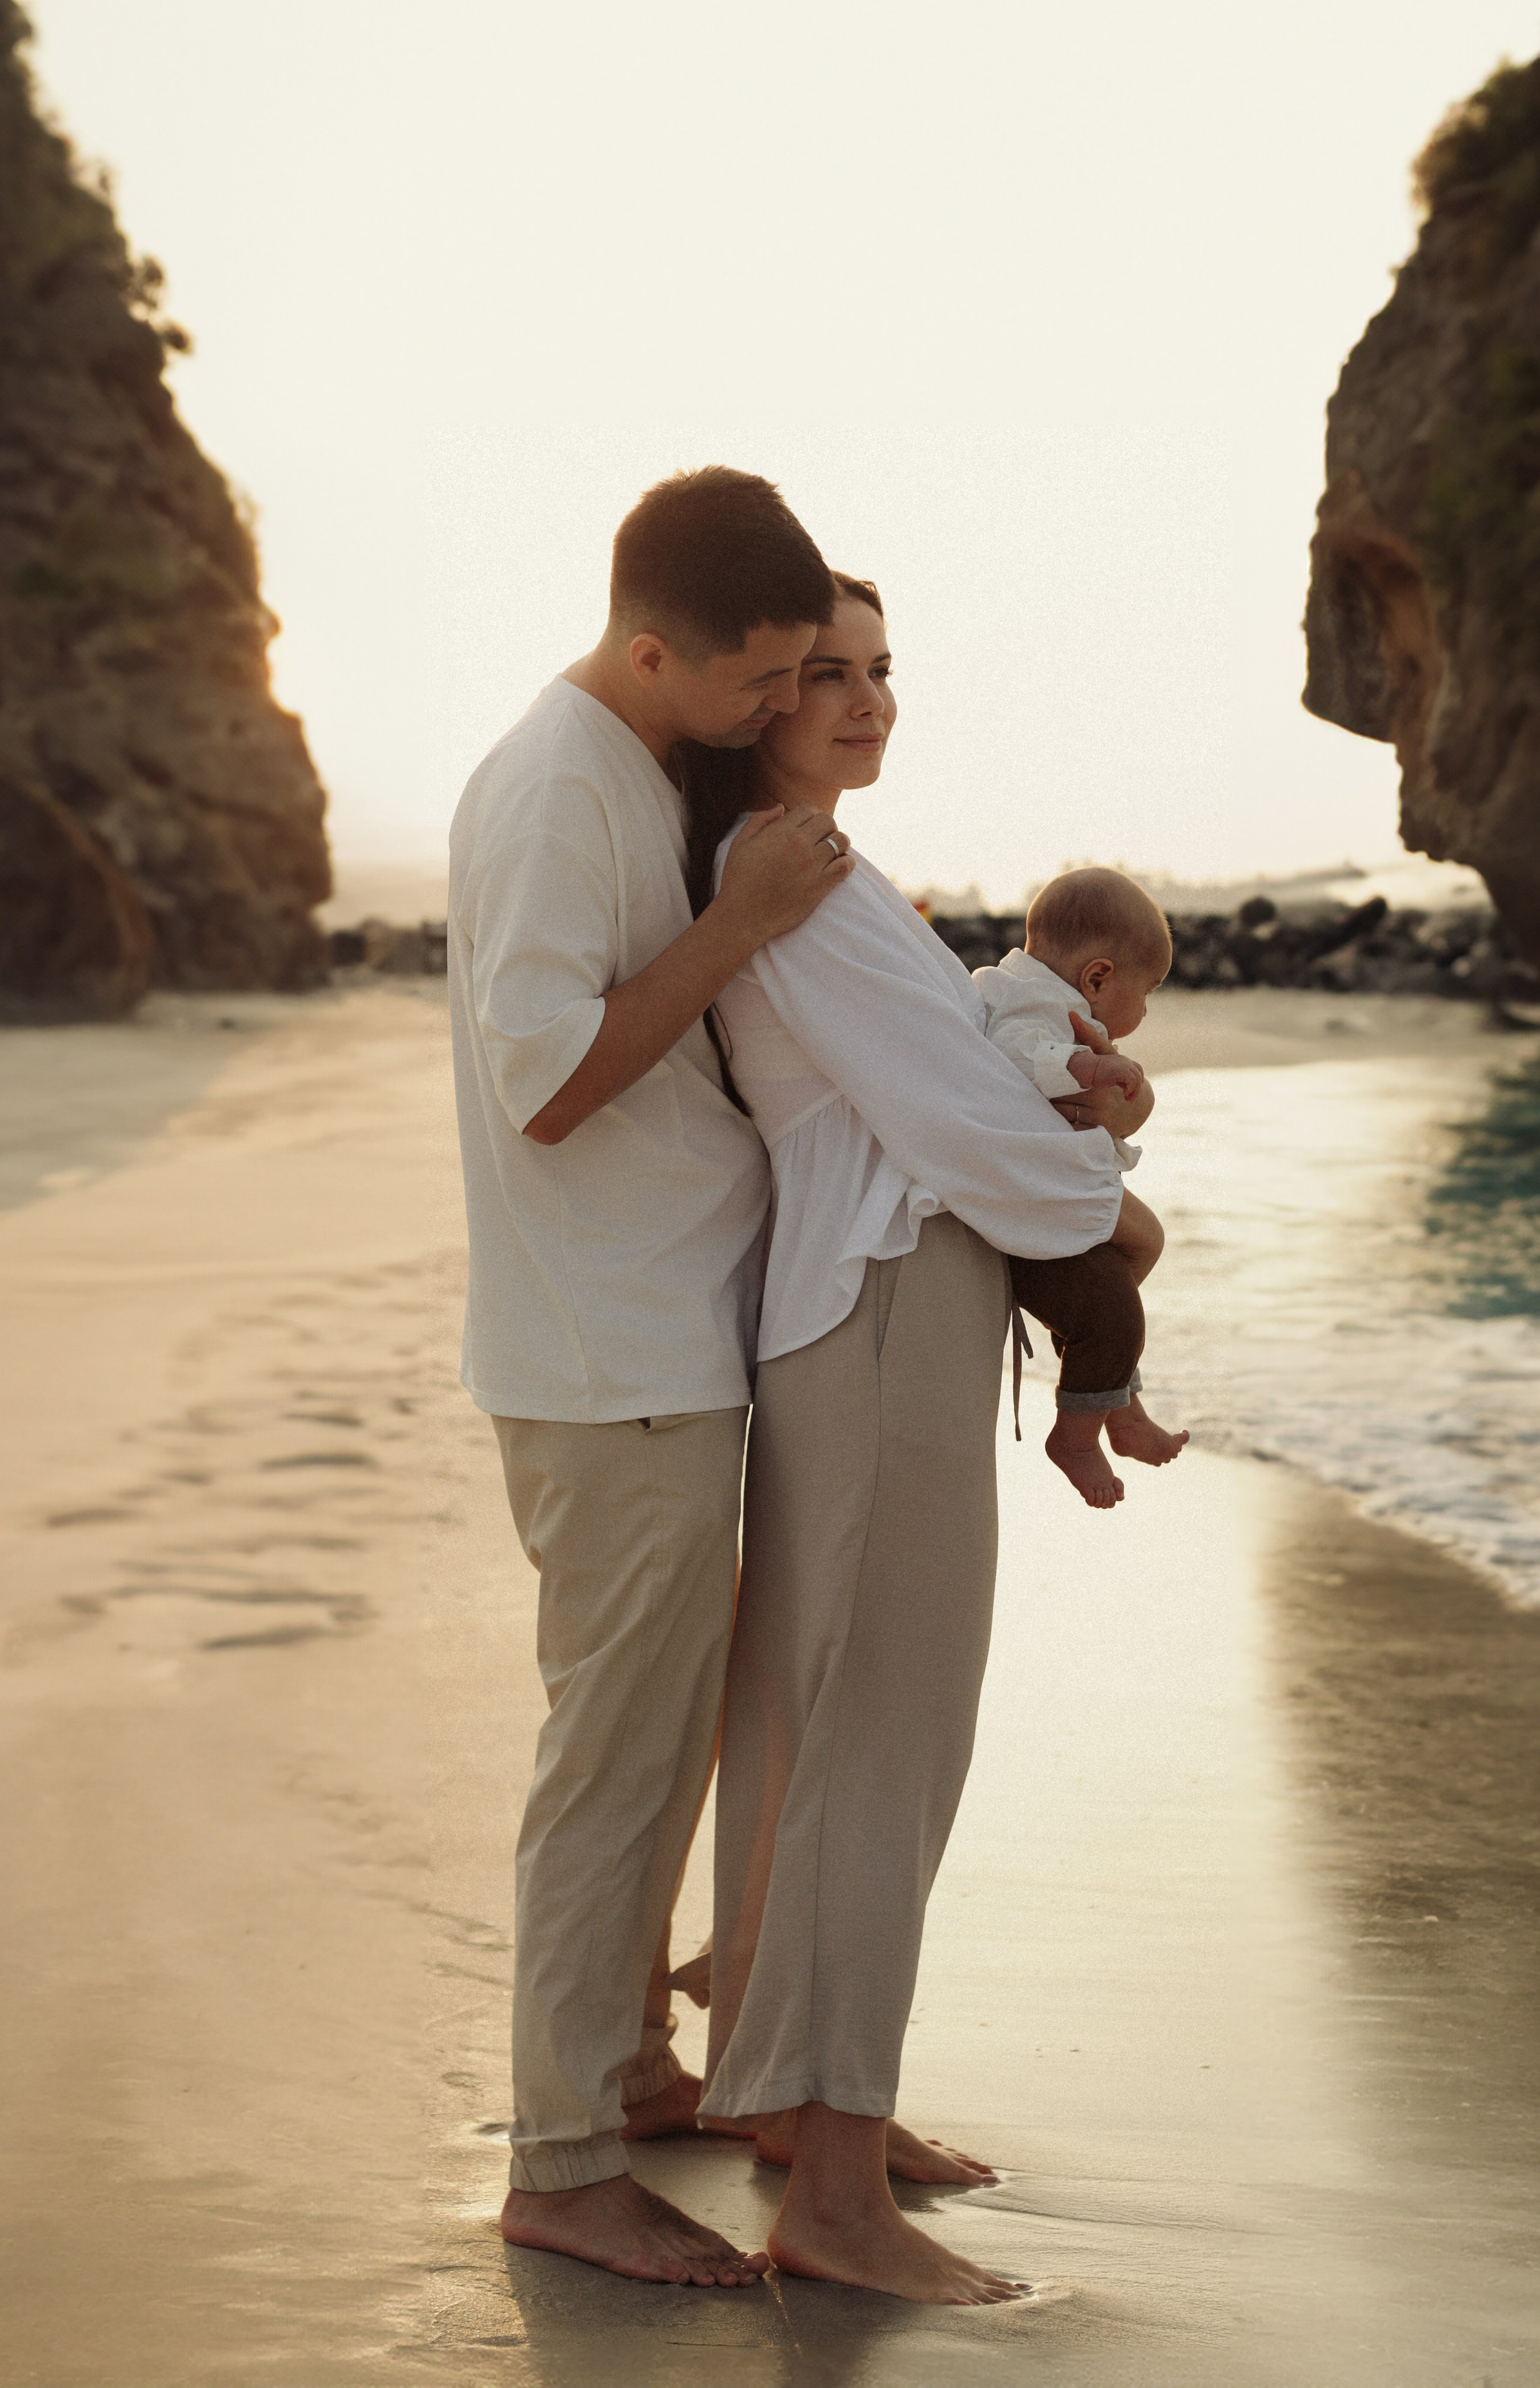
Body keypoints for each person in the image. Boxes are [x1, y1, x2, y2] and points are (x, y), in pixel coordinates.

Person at [685, 575, 1145, 2304]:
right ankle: (838, 2188)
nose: (867, 699)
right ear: (753, 698)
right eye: (824, 673)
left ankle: (805, 2118)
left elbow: (973, 1101)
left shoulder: (818, 876)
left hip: (859, 1317)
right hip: (884, 1319)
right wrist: (1105, 1186)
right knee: (888, 1743)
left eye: (882, 668)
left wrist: (1073, 1132)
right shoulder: (803, 888)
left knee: (815, 1728)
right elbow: (992, 1145)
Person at [447, 467, 856, 2288]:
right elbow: (542, 1080)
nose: (783, 710)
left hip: (654, 1333)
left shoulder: (631, 767)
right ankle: (559, 2158)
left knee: (661, 1736)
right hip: (604, 1356)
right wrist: (741, 924)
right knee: (609, 1768)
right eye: (760, 680)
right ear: (650, 647)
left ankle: (623, 2061)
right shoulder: (551, 789)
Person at [975, 867, 1190, 1508]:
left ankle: (1117, 1406)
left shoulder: (1024, 990)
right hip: (1027, 1203)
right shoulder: (1026, 1003)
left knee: (1123, 1281)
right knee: (1113, 1310)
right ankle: (1076, 1436)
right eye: (1146, 992)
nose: (1145, 1012)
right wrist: (1086, 1063)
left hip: (1041, 1194)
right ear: (1097, 977)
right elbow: (1017, 1051)